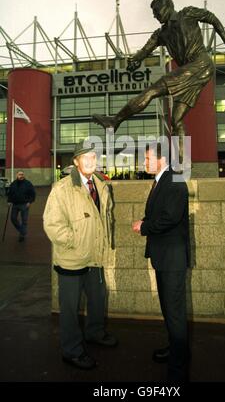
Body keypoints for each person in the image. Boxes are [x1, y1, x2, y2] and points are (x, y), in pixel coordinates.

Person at [92, 0, 225, 163]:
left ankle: (115, 120)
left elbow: (211, 17)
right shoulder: (161, 34)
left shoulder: (187, 13)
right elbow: (145, 49)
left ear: (168, 6)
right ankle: (182, 165)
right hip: (193, 71)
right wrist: (136, 60)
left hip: (200, 64)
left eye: (156, 11)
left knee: (151, 91)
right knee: (176, 120)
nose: (155, 16)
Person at [43, 140, 117, 370]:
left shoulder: (102, 185)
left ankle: (95, 333)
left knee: (97, 300)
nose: (91, 161)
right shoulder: (62, 188)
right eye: (86, 157)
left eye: (94, 157)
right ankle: (71, 350)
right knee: (70, 308)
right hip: (72, 258)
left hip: (95, 255)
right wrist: (73, 242)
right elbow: (52, 224)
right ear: (75, 162)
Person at [132, 142, 190, 382]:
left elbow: (170, 217)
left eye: (147, 158)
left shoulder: (175, 180)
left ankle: (178, 367)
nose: (144, 162)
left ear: (162, 159)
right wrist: (146, 219)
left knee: (175, 313)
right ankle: (174, 348)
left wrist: (144, 226)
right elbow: (159, 212)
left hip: (172, 259)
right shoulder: (159, 180)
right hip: (163, 256)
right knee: (168, 309)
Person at [7, 170, 36, 242]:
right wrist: (9, 201)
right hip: (15, 204)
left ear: (24, 175)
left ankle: (22, 235)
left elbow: (33, 194)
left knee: (24, 220)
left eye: (22, 174)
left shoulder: (28, 184)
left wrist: (30, 202)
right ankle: (22, 231)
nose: (21, 176)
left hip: (24, 204)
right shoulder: (13, 184)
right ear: (17, 175)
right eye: (19, 174)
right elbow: (10, 193)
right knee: (13, 219)